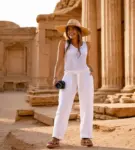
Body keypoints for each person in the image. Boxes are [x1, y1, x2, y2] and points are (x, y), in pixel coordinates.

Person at [46, 19, 94, 149]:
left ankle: (86, 136)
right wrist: (56, 77)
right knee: (63, 105)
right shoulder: (63, 44)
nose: (70, 31)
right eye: (68, 29)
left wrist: (90, 68)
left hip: (85, 75)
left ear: (79, 31)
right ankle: (56, 137)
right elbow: (59, 62)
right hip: (69, 75)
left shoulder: (87, 45)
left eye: (73, 29)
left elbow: (86, 60)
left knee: (87, 105)